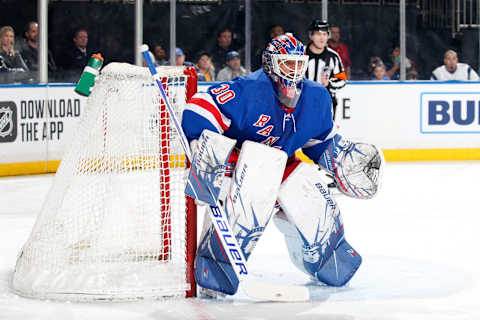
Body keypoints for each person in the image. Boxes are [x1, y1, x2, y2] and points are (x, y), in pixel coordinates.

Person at [181, 34, 383, 296]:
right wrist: (205, 150)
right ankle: (217, 267)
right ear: (270, 65)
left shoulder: (316, 98)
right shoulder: (248, 90)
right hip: (241, 170)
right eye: (288, 64)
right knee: (259, 177)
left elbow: (319, 140)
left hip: (283, 166)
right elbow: (199, 108)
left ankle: (324, 258)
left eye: (299, 64)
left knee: (308, 189)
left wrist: (342, 160)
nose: (295, 71)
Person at [305, 20, 346, 120]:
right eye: (318, 34)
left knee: (324, 134)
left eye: (325, 34)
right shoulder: (301, 54)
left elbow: (342, 80)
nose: (322, 38)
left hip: (325, 103)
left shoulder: (333, 57)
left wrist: (329, 84)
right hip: (303, 102)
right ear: (311, 36)